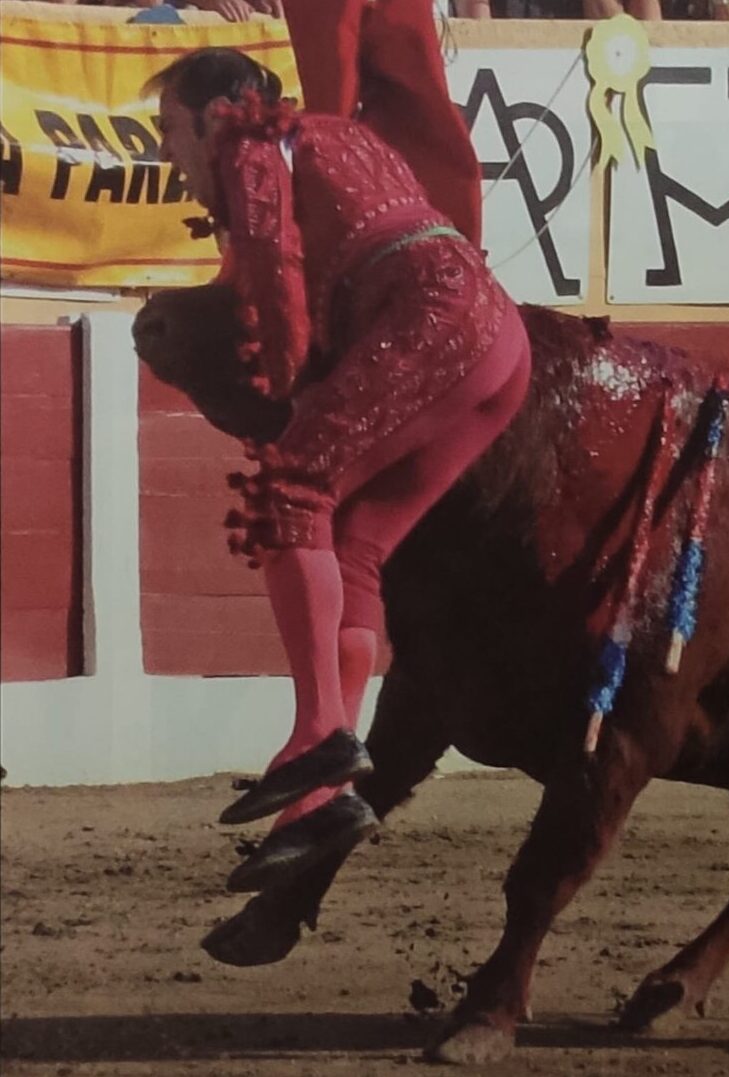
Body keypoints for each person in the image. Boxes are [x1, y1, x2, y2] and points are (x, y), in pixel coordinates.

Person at [146, 45, 531, 893]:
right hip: (498, 337)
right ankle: (321, 800)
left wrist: (286, 397)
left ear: (217, 115)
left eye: (170, 128)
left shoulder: (250, 147)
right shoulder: (334, 134)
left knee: (290, 486)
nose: (168, 153)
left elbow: (275, 280)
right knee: (353, 543)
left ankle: (320, 732)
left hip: (430, 317)